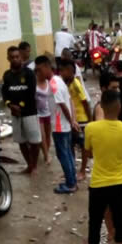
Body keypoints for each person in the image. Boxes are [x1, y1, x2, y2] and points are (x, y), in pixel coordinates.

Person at [79, 89, 122, 244]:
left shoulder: (91, 128)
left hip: (98, 183)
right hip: (119, 183)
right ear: (119, 107)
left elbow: (87, 152)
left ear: (101, 106)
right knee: (120, 221)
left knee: (95, 222)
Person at [37, 56, 80, 193]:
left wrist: (71, 121)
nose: (38, 74)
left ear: (46, 67)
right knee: (67, 153)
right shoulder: (59, 81)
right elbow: (69, 101)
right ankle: (72, 180)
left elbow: (63, 105)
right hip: (64, 125)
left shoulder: (54, 84)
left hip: (60, 126)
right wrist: (72, 120)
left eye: (39, 70)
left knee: (63, 155)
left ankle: (71, 184)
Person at [3, 46, 40, 173]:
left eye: (17, 57)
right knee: (21, 141)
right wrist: (10, 105)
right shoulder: (7, 76)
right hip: (15, 114)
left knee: (34, 142)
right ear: (8, 58)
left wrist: (20, 106)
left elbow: (31, 92)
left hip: (29, 113)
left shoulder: (29, 74)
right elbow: (5, 94)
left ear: (21, 57)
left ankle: (34, 165)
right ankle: (29, 165)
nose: (15, 59)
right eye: (12, 57)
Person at [61, 58, 92, 160]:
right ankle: (72, 165)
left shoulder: (76, 84)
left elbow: (85, 102)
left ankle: (83, 168)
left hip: (81, 118)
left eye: (65, 71)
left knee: (82, 144)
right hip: (71, 118)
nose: (62, 73)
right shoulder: (65, 84)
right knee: (71, 143)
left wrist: (90, 120)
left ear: (71, 72)